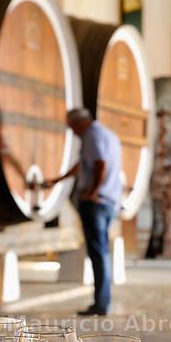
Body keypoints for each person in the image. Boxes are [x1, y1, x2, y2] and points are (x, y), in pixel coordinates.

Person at [47, 108, 122, 316]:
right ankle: (102, 301)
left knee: (98, 253)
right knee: (101, 252)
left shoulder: (92, 135)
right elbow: (83, 165)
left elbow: (100, 164)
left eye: (73, 128)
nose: (74, 133)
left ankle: (101, 304)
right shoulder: (108, 134)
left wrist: (92, 192)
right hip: (109, 202)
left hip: (96, 204)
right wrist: (59, 179)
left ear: (80, 124)